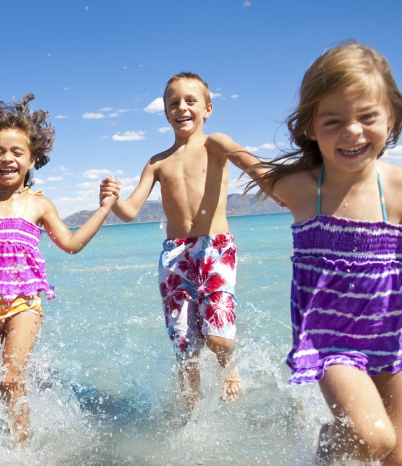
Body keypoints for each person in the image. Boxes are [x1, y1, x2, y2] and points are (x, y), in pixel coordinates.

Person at [249, 41, 402, 464]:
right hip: (330, 338)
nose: (353, 131)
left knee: (396, 456)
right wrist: (215, 144)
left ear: (392, 116)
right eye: (334, 120)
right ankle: (326, 452)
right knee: (372, 438)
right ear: (309, 127)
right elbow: (252, 167)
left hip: (397, 335)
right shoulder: (304, 188)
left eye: (367, 116)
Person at [0, 93, 118, 448]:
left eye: (17, 152)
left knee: (11, 378)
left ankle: (19, 449)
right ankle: (7, 417)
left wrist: (105, 207)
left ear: (32, 159)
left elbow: (72, 243)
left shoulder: (39, 204)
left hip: (26, 306)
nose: (7, 158)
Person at [101, 72, 268, 411]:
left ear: (207, 108)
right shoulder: (158, 161)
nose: (182, 108)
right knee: (185, 345)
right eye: (173, 103)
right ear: (165, 112)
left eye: (190, 101)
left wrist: (279, 184)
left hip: (215, 248)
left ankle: (227, 365)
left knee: (217, 337)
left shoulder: (215, 143)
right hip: (174, 256)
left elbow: (248, 162)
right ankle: (189, 412)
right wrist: (112, 198)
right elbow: (131, 211)